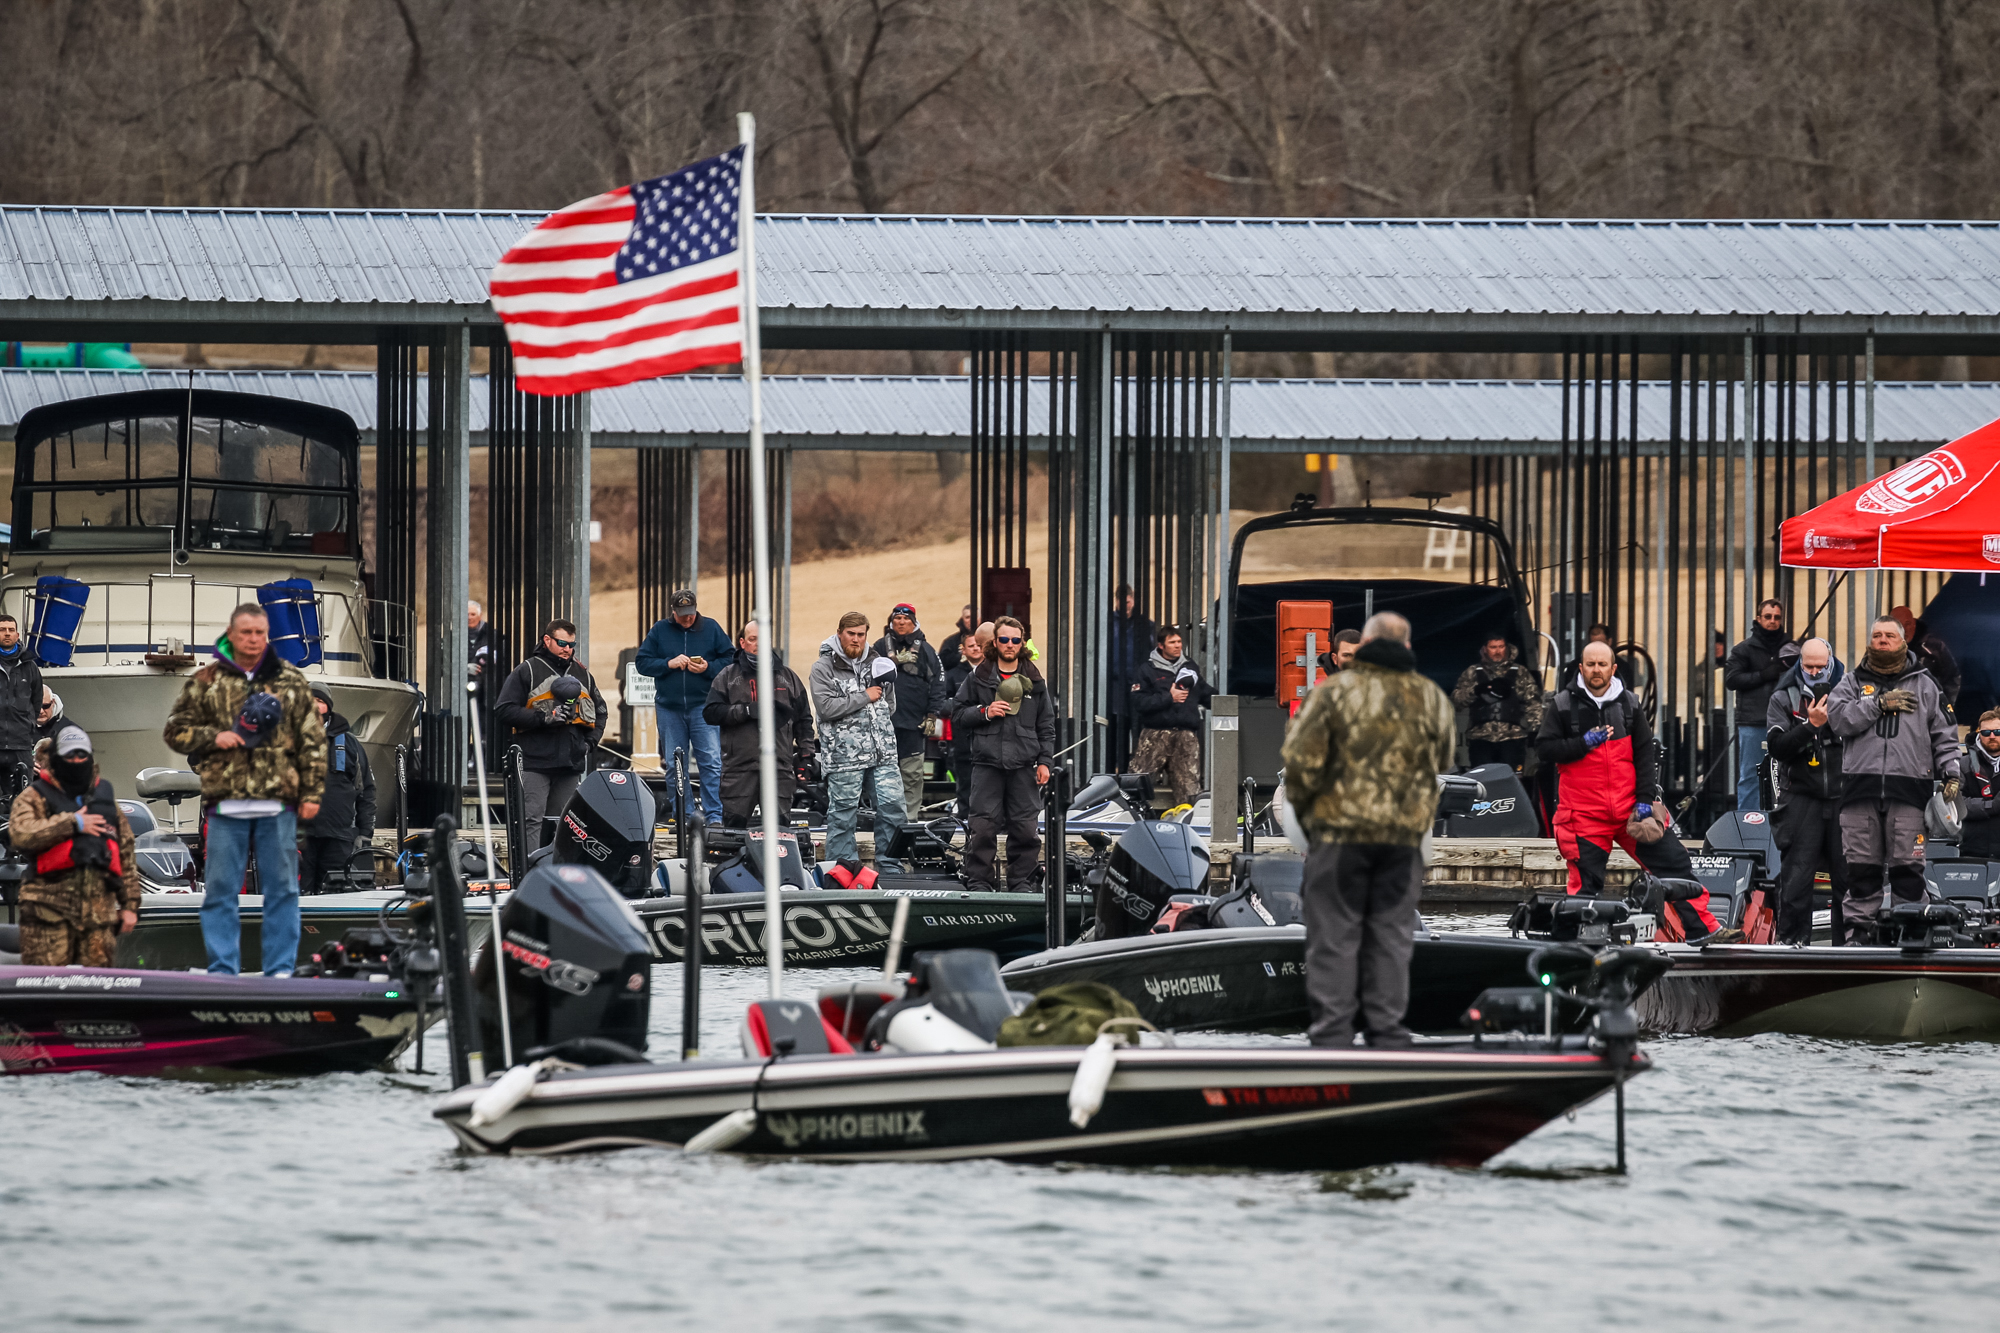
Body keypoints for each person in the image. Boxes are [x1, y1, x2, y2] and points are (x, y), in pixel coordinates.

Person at [1281, 612, 1453, 1048]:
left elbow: (1299, 762)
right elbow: (1444, 759)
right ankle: (1388, 1035)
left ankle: (1334, 1037)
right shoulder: (1430, 697)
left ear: (1366, 646)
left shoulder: (1334, 693)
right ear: (1408, 649)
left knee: (1334, 938)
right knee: (1391, 937)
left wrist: (1312, 820)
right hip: (1401, 843)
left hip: (1340, 839)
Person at [164, 603, 326, 976]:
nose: (253, 639)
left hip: (277, 805)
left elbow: (312, 741)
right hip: (226, 805)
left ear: (266, 635)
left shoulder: (290, 680)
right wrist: (212, 736)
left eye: (260, 632)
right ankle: (223, 969)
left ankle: (281, 969)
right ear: (232, 634)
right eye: (246, 632)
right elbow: (175, 729)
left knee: (283, 892)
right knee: (220, 892)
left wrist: (312, 793)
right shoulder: (207, 680)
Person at [1536, 640, 1734, 943]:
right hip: (1584, 816)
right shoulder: (1562, 705)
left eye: (1603, 664)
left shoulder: (1628, 703)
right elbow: (1545, 749)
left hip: (1632, 811)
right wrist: (1582, 744)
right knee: (1586, 887)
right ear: (1581, 668)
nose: (1596, 670)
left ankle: (1703, 931)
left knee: (1676, 865)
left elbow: (1644, 754)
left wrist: (1644, 800)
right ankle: (1575, 948)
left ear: (1613, 668)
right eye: (1590, 664)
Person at [1827, 616, 1961, 929]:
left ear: (1903, 642)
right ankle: (1858, 935)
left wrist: (1952, 773)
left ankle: (1911, 932)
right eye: (1876, 636)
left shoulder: (1926, 684)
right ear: (1869, 642)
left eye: (1889, 635)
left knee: (1908, 870)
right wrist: (1878, 704)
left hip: (1909, 793)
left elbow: (1945, 733)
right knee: (1861, 871)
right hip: (1860, 792)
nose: (1882, 640)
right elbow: (1839, 722)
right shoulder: (1850, 683)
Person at [8, 726, 141, 966]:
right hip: (47, 914)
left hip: (98, 918)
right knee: (47, 991)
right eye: (69, 756)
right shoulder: (34, 796)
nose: (76, 761)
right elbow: (20, 834)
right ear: (57, 758)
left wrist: (130, 905)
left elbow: (125, 854)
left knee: (98, 992)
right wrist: (72, 823)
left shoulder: (105, 800)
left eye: (82, 755)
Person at [954, 615, 1054, 891]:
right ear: (994, 642)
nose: (1010, 645)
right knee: (982, 827)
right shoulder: (978, 677)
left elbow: (1046, 725)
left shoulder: (1035, 679)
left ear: (1022, 643)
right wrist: (984, 712)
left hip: (1024, 765)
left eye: (1015, 640)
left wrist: (1045, 762)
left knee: (1025, 829)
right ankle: (979, 882)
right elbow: (958, 714)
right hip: (987, 764)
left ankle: (1022, 882)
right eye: (1004, 639)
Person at [495, 619, 608, 850]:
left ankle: (559, 876)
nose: (567, 649)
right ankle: (530, 875)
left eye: (571, 644)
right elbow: (503, 710)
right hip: (534, 762)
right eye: (561, 643)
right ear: (547, 640)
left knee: (566, 824)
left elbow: (601, 713)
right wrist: (544, 718)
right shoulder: (527, 669)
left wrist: (588, 744)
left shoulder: (583, 674)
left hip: (570, 765)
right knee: (531, 820)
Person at [811, 611, 908, 875]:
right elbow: (826, 707)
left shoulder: (878, 661)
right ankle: (843, 873)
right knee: (842, 816)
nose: (856, 639)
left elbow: (890, 704)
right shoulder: (823, 667)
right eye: (851, 634)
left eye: (861, 634)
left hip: (883, 754)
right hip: (844, 758)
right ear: (840, 633)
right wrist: (864, 697)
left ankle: (891, 868)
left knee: (894, 809)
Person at [1765, 638, 1847, 945]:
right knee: (1797, 880)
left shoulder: (1849, 691)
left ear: (1830, 662)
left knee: (1847, 880)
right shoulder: (1783, 696)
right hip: (1800, 797)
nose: (1813, 672)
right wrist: (1810, 726)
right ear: (1800, 663)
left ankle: (1850, 949)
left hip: (1843, 796)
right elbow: (1777, 749)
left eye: (1820, 666)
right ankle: (1792, 945)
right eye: (1807, 666)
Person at [702, 620, 815, 828]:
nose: (758, 644)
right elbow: (710, 713)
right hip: (739, 769)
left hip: (779, 768)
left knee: (780, 832)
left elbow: (804, 720)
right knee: (733, 830)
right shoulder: (727, 676)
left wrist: (807, 755)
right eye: (753, 639)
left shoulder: (788, 678)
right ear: (743, 643)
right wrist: (744, 711)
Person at [636, 589, 734, 825]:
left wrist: (708, 668)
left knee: (710, 762)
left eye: (690, 613)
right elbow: (642, 662)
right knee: (674, 764)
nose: (687, 618)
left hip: (703, 707)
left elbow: (730, 659)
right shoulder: (660, 630)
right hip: (669, 708)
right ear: (673, 612)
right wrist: (668, 664)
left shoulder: (711, 628)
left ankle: (714, 817)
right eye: (682, 615)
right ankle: (684, 815)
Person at [299, 685, 376, 894]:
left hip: (339, 838)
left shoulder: (351, 744)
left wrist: (365, 832)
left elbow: (366, 791)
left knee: (335, 894)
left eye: (320, 701)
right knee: (296, 896)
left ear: (328, 708)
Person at [1129, 625, 1216, 809]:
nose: (1177, 646)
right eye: (1172, 643)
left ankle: (1188, 826)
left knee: (1189, 789)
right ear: (1161, 646)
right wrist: (1169, 698)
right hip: (1155, 735)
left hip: (1186, 736)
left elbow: (1206, 694)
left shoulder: (1190, 668)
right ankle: (1129, 821)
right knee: (1137, 784)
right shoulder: (1147, 670)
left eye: (1179, 642)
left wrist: (1228, 701)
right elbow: (1139, 703)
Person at [875, 603, 947, 817]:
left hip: (914, 725)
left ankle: (909, 822)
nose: (902, 622)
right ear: (891, 621)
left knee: (912, 775)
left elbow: (939, 683)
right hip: (882, 725)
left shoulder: (926, 650)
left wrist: (933, 713)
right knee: (882, 775)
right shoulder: (879, 647)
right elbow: (866, 674)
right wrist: (892, 661)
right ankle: (884, 820)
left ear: (914, 622)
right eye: (897, 618)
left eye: (907, 619)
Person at [1724, 599, 1794, 810]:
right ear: (1758, 618)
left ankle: (1784, 821)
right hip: (1753, 721)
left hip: (1784, 721)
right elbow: (1732, 679)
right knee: (1750, 775)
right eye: (1768, 617)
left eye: (1777, 617)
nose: (1772, 621)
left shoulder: (1790, 648)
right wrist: (1763, 675)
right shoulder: (1743, 650)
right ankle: (1749, 822)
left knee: (1787, 774)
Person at [1451, 632, 1545, 771]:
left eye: (1501, 647)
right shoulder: (1472, 672)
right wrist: (1475, 691)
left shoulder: (1520, 672)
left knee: (1512, 780)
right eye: (1493, 647)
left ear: (1506, 648)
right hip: (1480, 737)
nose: (1497, 651)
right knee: (1482, 781)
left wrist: (1535, 730)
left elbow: (1533, 703)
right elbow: (1457, 700)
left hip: (1513, 737)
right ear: (1485, 649)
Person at [0, 612, 46, 796]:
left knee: (23, 800)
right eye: (2, 630)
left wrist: (27, 725)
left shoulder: (30, 666)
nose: (7, 633)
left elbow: (36, 699)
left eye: (11, 630)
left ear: (17, 635)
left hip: (21, 746)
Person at [1109, 584, 1156, 764]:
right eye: (1122, 602)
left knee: (1139, 730)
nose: (1126, 605)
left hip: (1138, 687)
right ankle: (1115, 770)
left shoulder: (1144, 625)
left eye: (1128, 601)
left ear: (1133, 601)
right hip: (1114, 687)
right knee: (1116, 730)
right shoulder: (1108, 623)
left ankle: (1138, 772)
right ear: (1117, 601)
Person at [944, 632, 986, 813]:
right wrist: (970, 708)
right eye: (971, 646)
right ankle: (964, 818)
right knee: (965, 782)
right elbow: (942, 704)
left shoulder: (994, 672)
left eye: (978, 645)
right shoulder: (952, 675)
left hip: (988, 737)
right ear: (963, 650)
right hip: (962, 739)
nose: (976, 648)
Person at [1890, 605, 1961, 709]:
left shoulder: (1934, 647)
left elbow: (1952, 677)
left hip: (1929, 711)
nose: (1903, 630)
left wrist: (1945, 706)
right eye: (1897, 628)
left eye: (1907, 625)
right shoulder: (1883, 648)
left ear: (1912, 624)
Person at [1961, 707, 2000, 861]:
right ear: (1978, 734)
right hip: (1974, 849)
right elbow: (1956, 806)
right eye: (1986, 732)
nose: (1992, 736)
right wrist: (1992, 805)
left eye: (1997, 732)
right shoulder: (1963, 765)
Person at [469, 599, 497, 768]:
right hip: (464, 689)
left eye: (473, 614)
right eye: (466, 614)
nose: (469, 618)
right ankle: (463, 761)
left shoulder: (492, 634)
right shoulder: (454, 634)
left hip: (489, 689)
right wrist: (463, 668)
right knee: (463, 725)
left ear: (480, 615)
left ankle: (486, 762)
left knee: (486, 726)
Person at [938, 604, 978, 672]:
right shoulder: (951, 642)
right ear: (962, 619)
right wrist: (960, 657)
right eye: (967, 617)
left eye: (974, 617)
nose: (971, 620)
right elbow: (942, 662)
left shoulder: (990, 638)